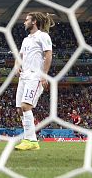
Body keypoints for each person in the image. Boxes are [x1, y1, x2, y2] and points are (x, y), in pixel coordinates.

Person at [14, 12, 54, 151]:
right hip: (23, 77)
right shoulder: (26, 40)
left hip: (35, 76)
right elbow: (20, 55)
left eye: (27, 20)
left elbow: (48, 55)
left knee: (26, 106)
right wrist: (17, 64)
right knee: (20, 109)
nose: (24, 22)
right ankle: (30, 139)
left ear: (34, 22)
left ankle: (30, 140)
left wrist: (44, 75)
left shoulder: (43, 36)